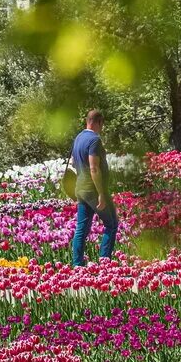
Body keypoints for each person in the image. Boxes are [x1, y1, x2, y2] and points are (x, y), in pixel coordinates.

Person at [70, 109, 119, 266]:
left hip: (80, 188)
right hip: (93, 189)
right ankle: (104, 263)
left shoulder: (78, 138)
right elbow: (94, 168)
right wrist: (101, 194)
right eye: (102, 125)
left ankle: (77, 265)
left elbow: (73, 162)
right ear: (98, 122)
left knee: (81, 229)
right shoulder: (94, 140)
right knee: (111, 224)